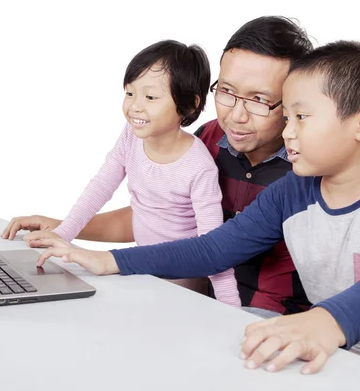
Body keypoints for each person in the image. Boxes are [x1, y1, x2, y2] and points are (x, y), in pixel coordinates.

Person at [1, 18, 360, 390]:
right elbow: (207, 244)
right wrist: (95, 254)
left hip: (321, 339)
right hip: (259, 334)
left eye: (274, 105)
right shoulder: (224, 152)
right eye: (225, 92)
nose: (236, 115)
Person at [14, 39, 240, 306]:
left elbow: (213, 249)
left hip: (182, 288)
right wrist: (63, 233)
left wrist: (232, 312)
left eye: (151, 97)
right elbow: (101, 186)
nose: (135, 106)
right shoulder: (132, 138)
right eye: (130, 93)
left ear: (189, 105)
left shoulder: (198, 166)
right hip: (140, 271)